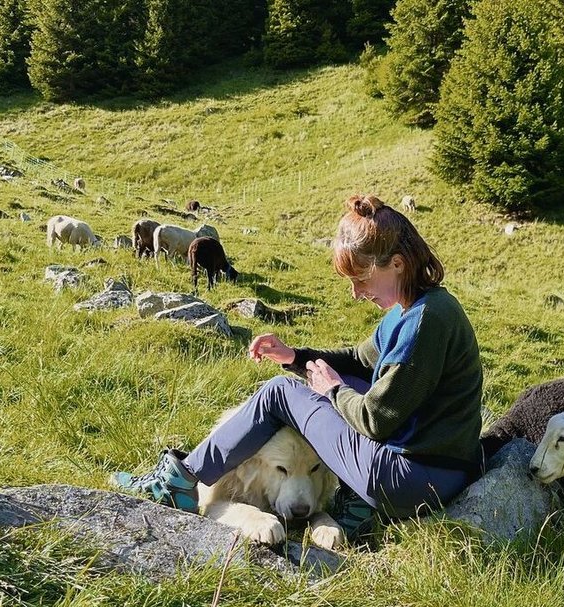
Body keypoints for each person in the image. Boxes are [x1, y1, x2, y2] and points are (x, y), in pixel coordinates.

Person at [111, 194, 484, 539]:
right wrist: (295, 357)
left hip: (411, 478)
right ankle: (351, 508)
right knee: (335, 378)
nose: (356, 292)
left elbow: (376, 420)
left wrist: (332, 390)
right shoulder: (415, 308)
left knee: (279, 392)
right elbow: (358, 360)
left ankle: (180, 480)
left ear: (397, 264)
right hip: (430, 472)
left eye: (361, 278)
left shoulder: (424, 321)